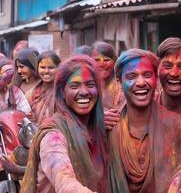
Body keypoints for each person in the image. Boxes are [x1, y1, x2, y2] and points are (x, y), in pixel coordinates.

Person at [21, 54, 108, 193]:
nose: (84, 92)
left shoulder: (101, 128)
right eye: (74, 86)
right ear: (62, 92)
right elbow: (62, 177)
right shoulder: (52, 136)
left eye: (90, 85)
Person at [109, 49, 181, 193]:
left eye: (147, 75)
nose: (141, 82)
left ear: (156, 80)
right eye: (132, 76)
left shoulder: (176, 126)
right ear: (119, 83)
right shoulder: (109, 128)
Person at [31, 50, 61, 125]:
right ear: (37, 68)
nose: (46, 71)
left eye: (51, 67)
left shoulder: (63, 92)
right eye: (42, 67)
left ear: (59, 68)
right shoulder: (31, 93)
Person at [91, 41, 124, 110]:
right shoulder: (86, 84)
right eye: (97, 60)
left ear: (115, 62)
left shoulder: (121, 86)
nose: (102, 64)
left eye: (106, 60)